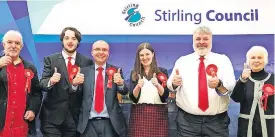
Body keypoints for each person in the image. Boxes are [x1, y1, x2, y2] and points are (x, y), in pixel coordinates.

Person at [167, 26, 236, 137]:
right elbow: (170, 85)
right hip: (187, 122)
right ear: (193, 41)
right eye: (198, 39)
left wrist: (219, 84)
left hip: (216, 123)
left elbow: (230, 85)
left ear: (211, 40)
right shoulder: (182, 61)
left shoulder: (223, 60)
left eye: (205, 39)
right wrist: (174, 83)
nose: (201, 42)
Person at [39, 27, 93, 137]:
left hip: (75, 119)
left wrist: (75, 85)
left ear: (78, 42)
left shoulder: (87, 62)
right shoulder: (50, 59)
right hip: (51, 118)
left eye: (74, 38)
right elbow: (42, 84)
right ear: (62, 40)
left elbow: (88, 89)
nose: (70, 41)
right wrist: (51, 81)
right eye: (67, 38)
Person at [77, 40, 128, 137]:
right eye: (97, 49)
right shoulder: (83, 72)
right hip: (88, 124)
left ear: (108, 53)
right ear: (92, 52)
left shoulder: (116, 70)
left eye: (104, 50)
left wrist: (121, 83)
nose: (101, 52)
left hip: (110, 123)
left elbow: (124, 91)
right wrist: (75, 84)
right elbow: (76, 94)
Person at [0, 30, 42, 137]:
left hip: (22, 127)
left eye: (17, 43)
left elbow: (36, 93)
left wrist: (32, 109)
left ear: (21, 46)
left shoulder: (30, 67)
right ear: (3, 44)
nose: (13, 46)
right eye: (10, 42)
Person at [128, 42, 169, 137]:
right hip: (139, 113)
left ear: (153, 54)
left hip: (158, 114)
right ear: (138, 57)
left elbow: (165, 96)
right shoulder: (134, 73)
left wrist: (158, 85)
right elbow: (133, 98)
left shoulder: (162, 72)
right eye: (141, 55)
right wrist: (138, 87)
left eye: (147, 54)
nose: (144, 57)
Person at [231, 46, 274, 137]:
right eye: (253, 57)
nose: (256, 60)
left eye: (260, 57)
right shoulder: (243, 79)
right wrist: (242, 80)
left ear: (265, 60)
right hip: (246, 128)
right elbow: (236, 98)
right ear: (248, 61)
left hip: (270, 127)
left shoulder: (273, 79)